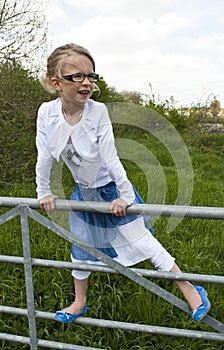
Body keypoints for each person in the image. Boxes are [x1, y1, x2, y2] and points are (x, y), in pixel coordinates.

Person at [36, 43, 211, 323]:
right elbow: (45, 155)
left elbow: (110, 157)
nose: (87, 83)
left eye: (91, 76)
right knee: (80, 247)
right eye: (77, 77)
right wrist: (43, 191)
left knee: (143, 241)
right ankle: (79, 302)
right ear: (57, 83)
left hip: (111, 188)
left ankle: (190, 288)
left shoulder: (97, 111)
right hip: (83, 192)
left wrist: (125, 197)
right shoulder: (47, 113)